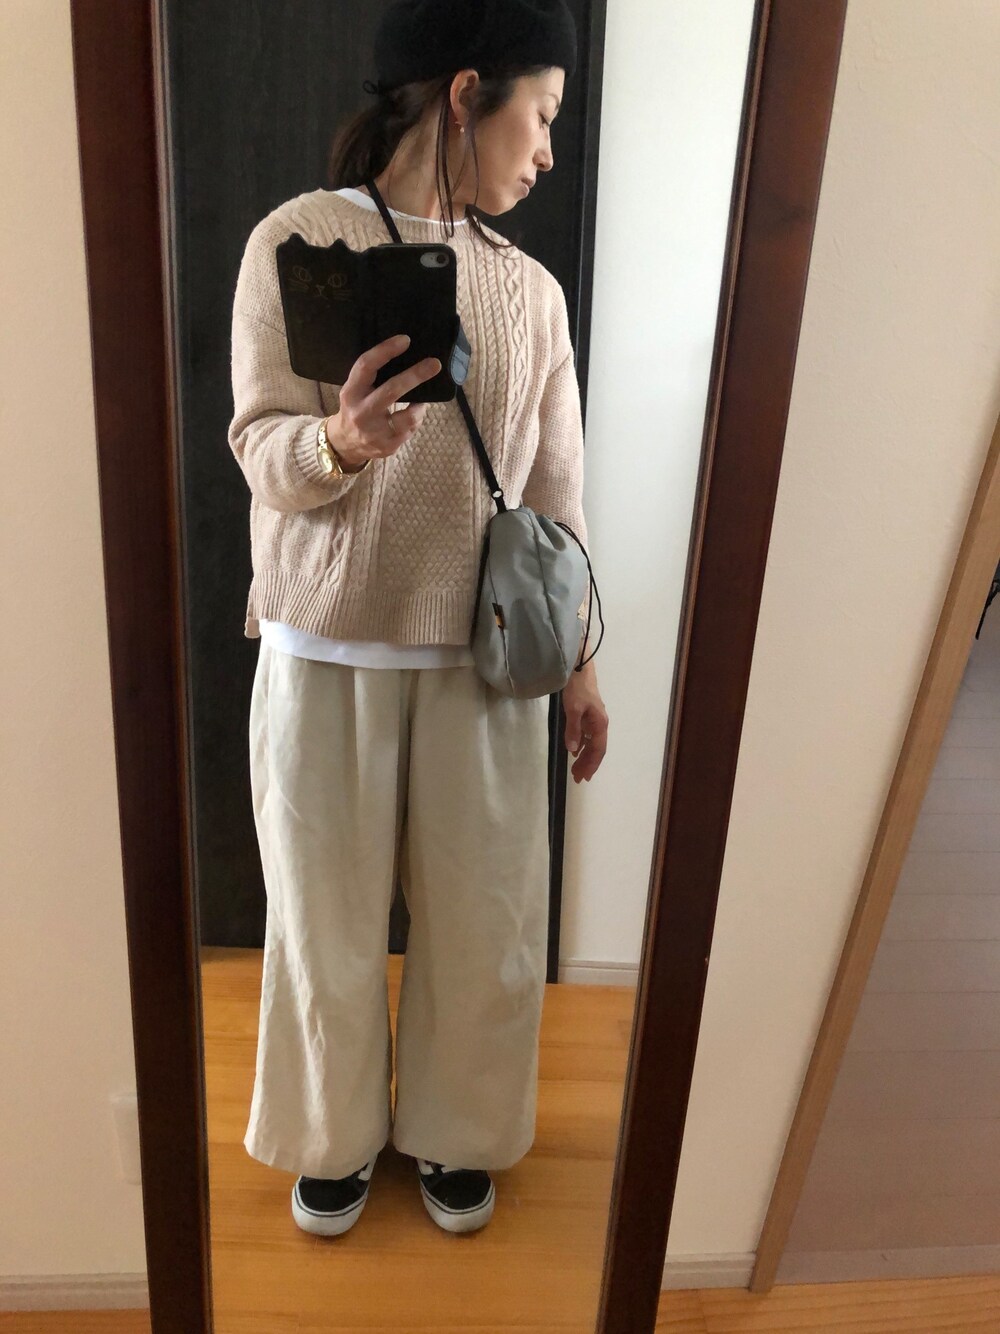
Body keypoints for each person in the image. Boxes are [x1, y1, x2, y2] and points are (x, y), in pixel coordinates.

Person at [227, 0, 609, 1239]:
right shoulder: (298, 242)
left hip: (481, 656)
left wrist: (582, 663)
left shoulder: (530, 292)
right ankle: (329, 1137)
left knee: (487, 917)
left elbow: (557, 498)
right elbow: (257, 442)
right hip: (323, 640)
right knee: (320, 921)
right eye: (538, 115)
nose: (545, 150)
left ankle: (458, 1129)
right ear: (464, 94)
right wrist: (338, 441)